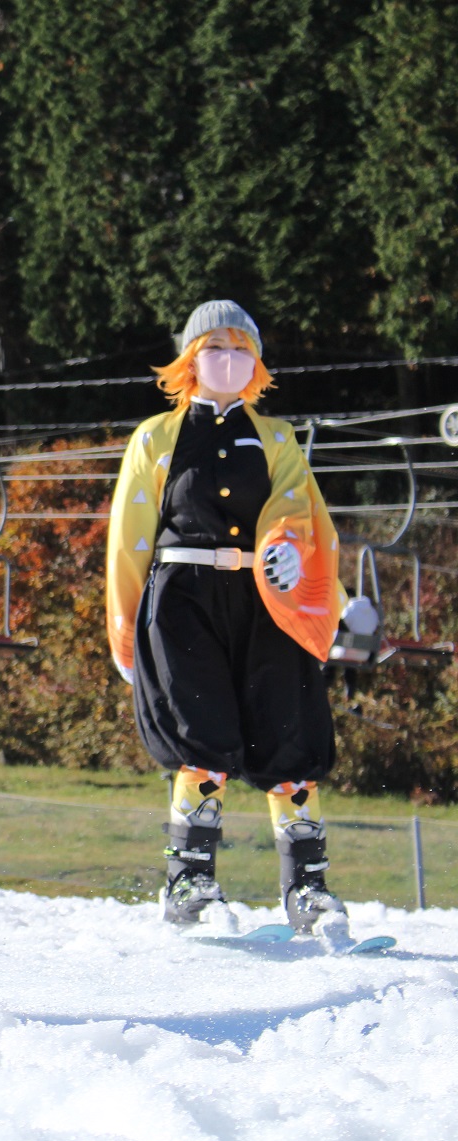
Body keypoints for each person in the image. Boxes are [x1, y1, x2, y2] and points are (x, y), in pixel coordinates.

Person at [106, 300, 351, 939]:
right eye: (216, 348)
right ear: (190, 359)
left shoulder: (276, 438)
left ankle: (309, 891)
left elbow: (299, 510)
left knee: (289, 732)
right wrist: (123, 627)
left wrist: (293, 557)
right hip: (181, 598)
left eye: (244, 349)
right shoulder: (155, 438)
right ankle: (189, 884)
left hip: (267, 600)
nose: (231, 360)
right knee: (200, 737)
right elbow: (129, 538)